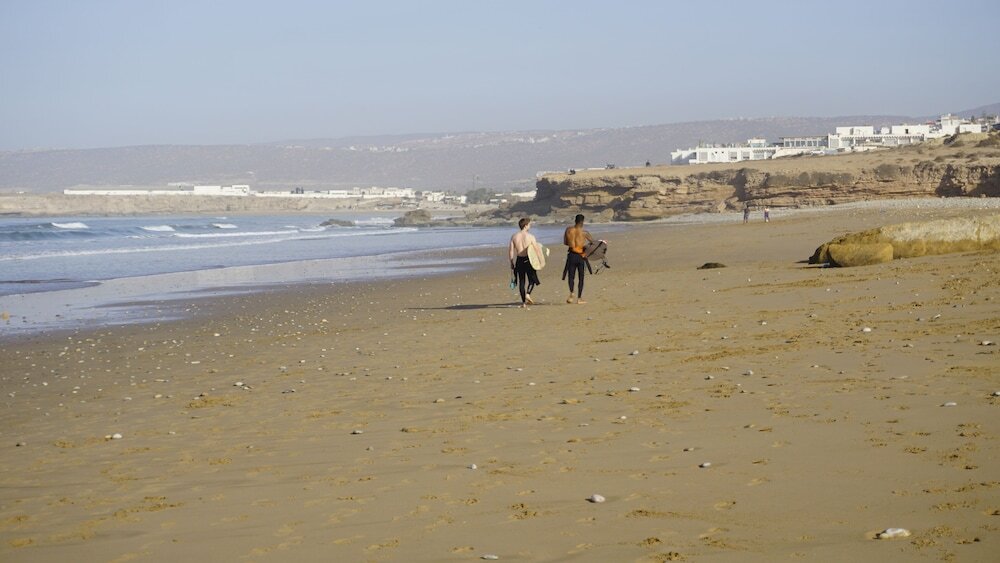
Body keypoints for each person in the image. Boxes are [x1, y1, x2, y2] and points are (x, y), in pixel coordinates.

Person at [508, 217, 541, 308]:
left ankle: (523, 303)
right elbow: (536, 249)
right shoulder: (530, 236)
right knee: (532, 279)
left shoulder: (514, 236)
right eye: (529, 224)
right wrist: (540, 260)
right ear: (525, 226)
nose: (530, 226)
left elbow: (511, 251)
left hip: (519, 260)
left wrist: (511, 262)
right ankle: (528, 294)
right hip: (528, 260)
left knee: (521, 281)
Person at [562, 213, 593, 304]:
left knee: (571, 276)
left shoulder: (568, 230)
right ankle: (579, 298)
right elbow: (593, 243)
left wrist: (573, 243)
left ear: (575, 221)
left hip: (571, 255)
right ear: (582, 222)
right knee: (581, 277)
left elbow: (565, 242)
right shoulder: (585, 233)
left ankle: (572, 292)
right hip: (581, 256)